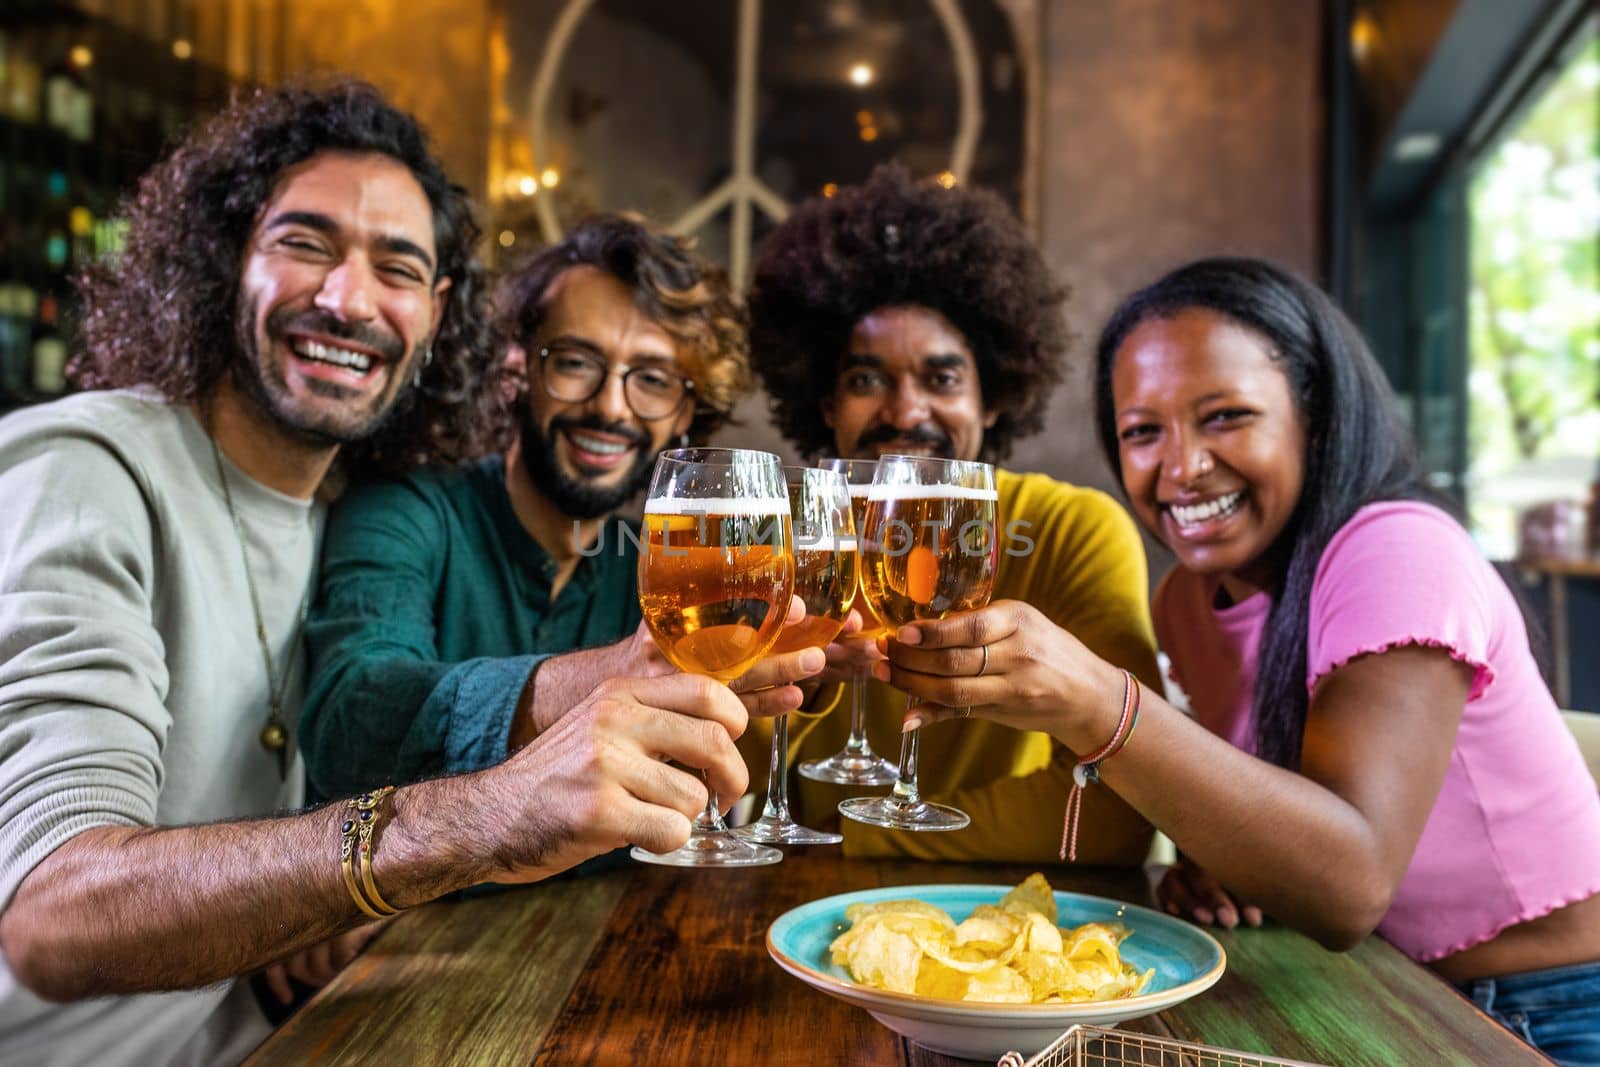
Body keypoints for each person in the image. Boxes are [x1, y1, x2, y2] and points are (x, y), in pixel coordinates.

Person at [0, 81, 752, 1066]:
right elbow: (51, 917)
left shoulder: (341, 498)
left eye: (396, 265)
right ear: (227, 260)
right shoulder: (84, 468)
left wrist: (332, 902)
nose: (348, 300)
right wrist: (471, 820)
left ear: (438, 313)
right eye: (306, 242)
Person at [880, 257, 1600, 1065]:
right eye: (1143, 431)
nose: (1181, 467)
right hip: (1371, 985)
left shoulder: (1398, 548)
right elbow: (1290, 831)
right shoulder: (1189, 601)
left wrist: (1098, 703)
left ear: (1315, 418)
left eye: (1224, 416)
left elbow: (1350, 882)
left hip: (1546, 1010)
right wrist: (1222, 861)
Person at [300, 214, 820, 801]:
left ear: (682, 415)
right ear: (515, 370)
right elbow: (348, 720)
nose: (611, 408)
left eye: (651, 379)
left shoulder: (658, 568)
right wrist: (606, 679)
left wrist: (821, 669)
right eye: (575, 362)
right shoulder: (406, 511)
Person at [744, 164, 1160, 863]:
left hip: (1013, 918)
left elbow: (1118, 811)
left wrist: (853, 835)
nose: (906, 412)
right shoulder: (788, 531)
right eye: (866, 379)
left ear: (991, 398)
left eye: (941, 378)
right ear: (824, 404)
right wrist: (794, 688)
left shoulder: (1073, 531)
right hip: (804, 909)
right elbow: (711, 783)